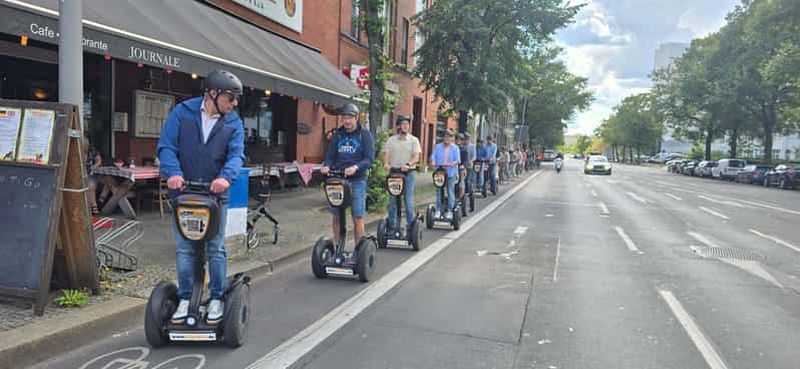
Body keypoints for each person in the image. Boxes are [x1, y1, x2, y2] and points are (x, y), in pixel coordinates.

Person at [158, 69, 245, 324]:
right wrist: (172, 172)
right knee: (185, 249)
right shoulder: (182, 113)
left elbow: (236, 155)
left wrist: (225, 177)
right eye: (231, 98)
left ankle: (216, 297)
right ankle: (186, 298)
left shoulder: (233, 123)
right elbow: (166, 147)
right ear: (213, 93)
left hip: (216, 196)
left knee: (215, 248)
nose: (234, 103)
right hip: (183, 194)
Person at [321, 103, 375, 247]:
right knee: (336, 216)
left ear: (356, 118)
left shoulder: (365, 135)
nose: (346, 121)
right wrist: (327, 166)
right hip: (338, 180)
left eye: (349, 118)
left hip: (357, 180)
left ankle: (359, 249)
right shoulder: (338, 135)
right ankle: (339, 246)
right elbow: (330, 156)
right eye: (344, 118)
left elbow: (369, 159)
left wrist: (356, 167)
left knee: (357, 216)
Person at [382, 115, 421, 234]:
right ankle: (391, 226)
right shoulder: (391, 140)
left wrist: (408, 164)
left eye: (407, 124)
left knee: (408, 201)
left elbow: (416, 156)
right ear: (398, 126)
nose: (405, 126)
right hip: (394, 174)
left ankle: (410, 227)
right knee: (392, 201)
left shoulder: (414, 140)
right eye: (403, 124)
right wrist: (386, 163)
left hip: (407, 174)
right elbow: (386, 154)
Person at [429, 129, 460, 219]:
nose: (447, 139)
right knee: (439, 191)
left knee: (450, 191)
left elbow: (457, 160)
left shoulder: (455, 148)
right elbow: (433, 156)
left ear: (452, 139)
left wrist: (452, 164)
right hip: (439, 172)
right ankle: (438, 210)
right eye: (445, 137)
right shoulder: (438, 147)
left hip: (450, 173)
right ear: (443, 138)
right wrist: (433, 161)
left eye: (449, 137)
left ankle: (450, 210)